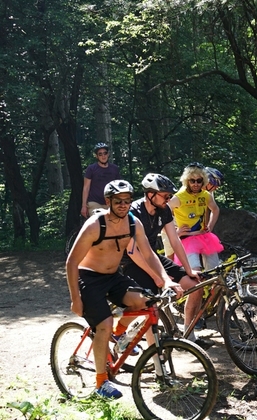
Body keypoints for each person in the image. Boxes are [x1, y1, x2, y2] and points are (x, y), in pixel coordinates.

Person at [65, 180, 182, 399]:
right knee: (104, 324)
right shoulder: (94, 225)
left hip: (113, 276)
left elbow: (148, 254)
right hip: (89, 278)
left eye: (127, 201)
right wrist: (75, 299)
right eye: (118, 201)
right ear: (108, 201)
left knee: (144, 301)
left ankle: (118, 335)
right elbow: (71, 262)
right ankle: (101, 382)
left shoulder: (133, 223)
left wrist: (165, 280)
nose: (123, 205)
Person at [120, 173, 210, 347]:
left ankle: (188, 335)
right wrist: (157, 278)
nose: (168, 199)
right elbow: (132, 253)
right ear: (150, 194)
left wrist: (189, 270)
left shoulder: (165, 210)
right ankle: (156, 362)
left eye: (170, 196)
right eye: (165, 195)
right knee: (150, 305)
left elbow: (175, 241)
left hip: (153, 256)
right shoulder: (133, 213)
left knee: (195, 286)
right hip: (131, 262)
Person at [168, 163, 223, 272]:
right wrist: (175, 232)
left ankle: (213, 289)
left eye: (199, 181)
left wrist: (210, 226)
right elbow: (163, 212)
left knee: (215, 271)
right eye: (192, 181)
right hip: (185, 236)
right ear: (187, 181)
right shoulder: (179, 197)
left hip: (203, 236)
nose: (196, 184)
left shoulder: (206, 194)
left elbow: (215, 210)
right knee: (193, 270)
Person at [81, 143, 121, 217]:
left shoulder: (114, 169)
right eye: (100, 154)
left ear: (108, 154)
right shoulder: (91, 169)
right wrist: (84, 206)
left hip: (110, 203)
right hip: (94, 203)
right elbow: (86, 187)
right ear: (96, 156)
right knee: (98, 222)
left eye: (105, 153)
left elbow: (118, 188)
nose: (103, 156)